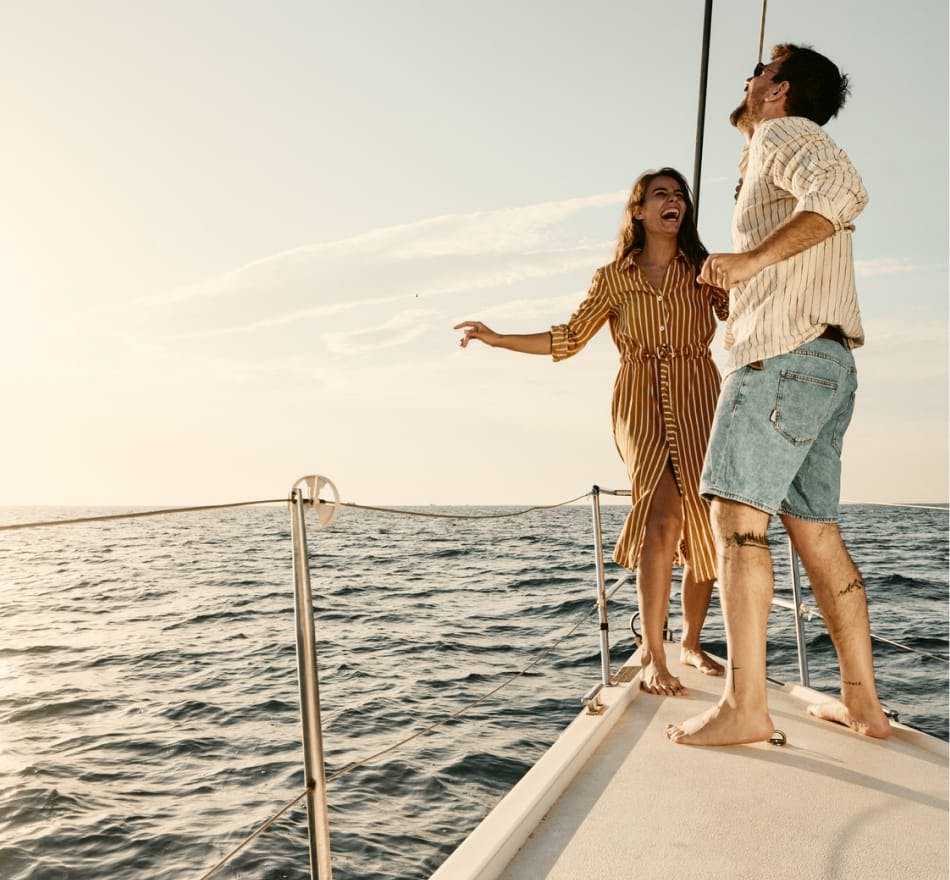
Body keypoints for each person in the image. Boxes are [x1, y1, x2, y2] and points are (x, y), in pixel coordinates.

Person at [666, 45, 891, 745]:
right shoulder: (769, 155)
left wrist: (749, 262)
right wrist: (743, 283)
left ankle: (745, 706)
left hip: (780, 362)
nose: (748, 76)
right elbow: (812, 228)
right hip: (826, 363)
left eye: (761, 70)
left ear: (779, 90)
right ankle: (864, 706)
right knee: (817, 536)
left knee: (736, 521)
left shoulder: (781, 133)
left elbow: (844, 190)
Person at [455, 167, 729, 696]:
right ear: (639, 211)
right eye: (660, 195)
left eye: (679, 195)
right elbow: (568, 338)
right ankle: (653, 653)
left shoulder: (704, 269)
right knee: (660, 512)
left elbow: (742, 315)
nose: (673, 202)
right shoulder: (613, 278)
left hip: (701, 396)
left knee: (706, 517)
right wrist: (497, 338)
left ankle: (691, 642)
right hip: (640, 402)